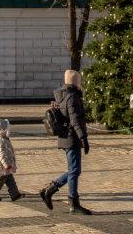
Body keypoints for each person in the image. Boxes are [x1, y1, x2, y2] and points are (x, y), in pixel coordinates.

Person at [40, 69, 91, 215]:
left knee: (74, 170)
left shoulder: (62, 95)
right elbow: (75, 121)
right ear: (75, 81)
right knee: (74, 170)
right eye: (79, 80)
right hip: (72, 137)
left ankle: (49, 190)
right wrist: (83, 138)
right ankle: (72, 203)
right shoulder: (72, 97)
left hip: (65, 136)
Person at [0, 119, 22, 202]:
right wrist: (7, 165)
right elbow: (2, 155)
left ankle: (15, 194)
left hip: (6, 167)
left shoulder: (4, 139)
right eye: (6, 129)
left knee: (11, 181)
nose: (8, 131)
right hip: (1, 167)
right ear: (2, 130)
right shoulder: (0, 141)